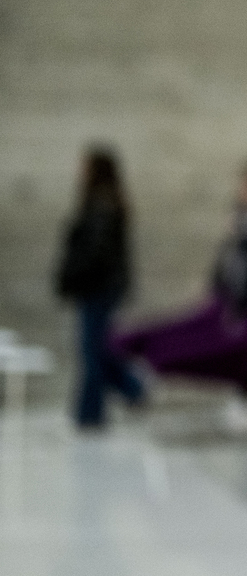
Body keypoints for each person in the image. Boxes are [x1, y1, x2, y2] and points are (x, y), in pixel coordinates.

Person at [114, 162, 247, 406]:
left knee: (246, 347)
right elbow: (229, 257)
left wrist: (242, 232)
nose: (241, 190)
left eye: (246, 184)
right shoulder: (245, 215)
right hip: (235, 296)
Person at [55, 145, 146, 429]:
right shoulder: (102, 202)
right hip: (99, 287)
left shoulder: (103, 205)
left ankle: (92, 412)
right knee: (95, 349)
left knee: (93, 350)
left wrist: (75, 278)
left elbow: (96, 253)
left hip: (98, 288)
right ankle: (125, 392)